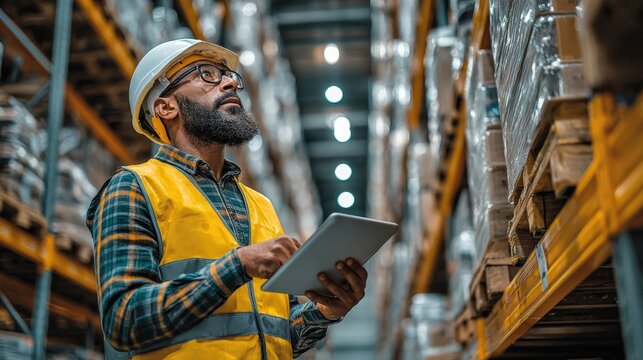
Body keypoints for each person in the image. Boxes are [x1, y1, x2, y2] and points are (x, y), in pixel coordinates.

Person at [86, 39, 368, 359]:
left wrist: (325, 312)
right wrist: (237, 266)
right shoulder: (134, 188)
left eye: (229, 75)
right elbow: (125, 321)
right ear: (166, 107)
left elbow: (274, 334)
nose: (230, 81)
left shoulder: (259, 205)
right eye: (206, 74)